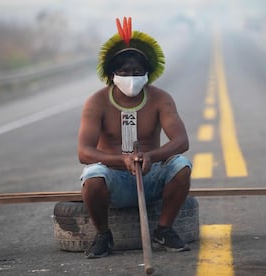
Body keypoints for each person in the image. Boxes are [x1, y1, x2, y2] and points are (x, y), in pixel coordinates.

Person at [78, 17, 192, 258]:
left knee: (182, 166)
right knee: (93, 175)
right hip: (115, 180)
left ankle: (164, 229)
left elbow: (181, 141)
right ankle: (104, 236)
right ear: (112, 74)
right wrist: (122, 160)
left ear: (148, 74)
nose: (132, 77)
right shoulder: (96, 102)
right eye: (125, 72)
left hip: (152, 177)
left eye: (138, 72)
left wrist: (151, 156)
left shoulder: (160, 98)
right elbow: (84, 152)